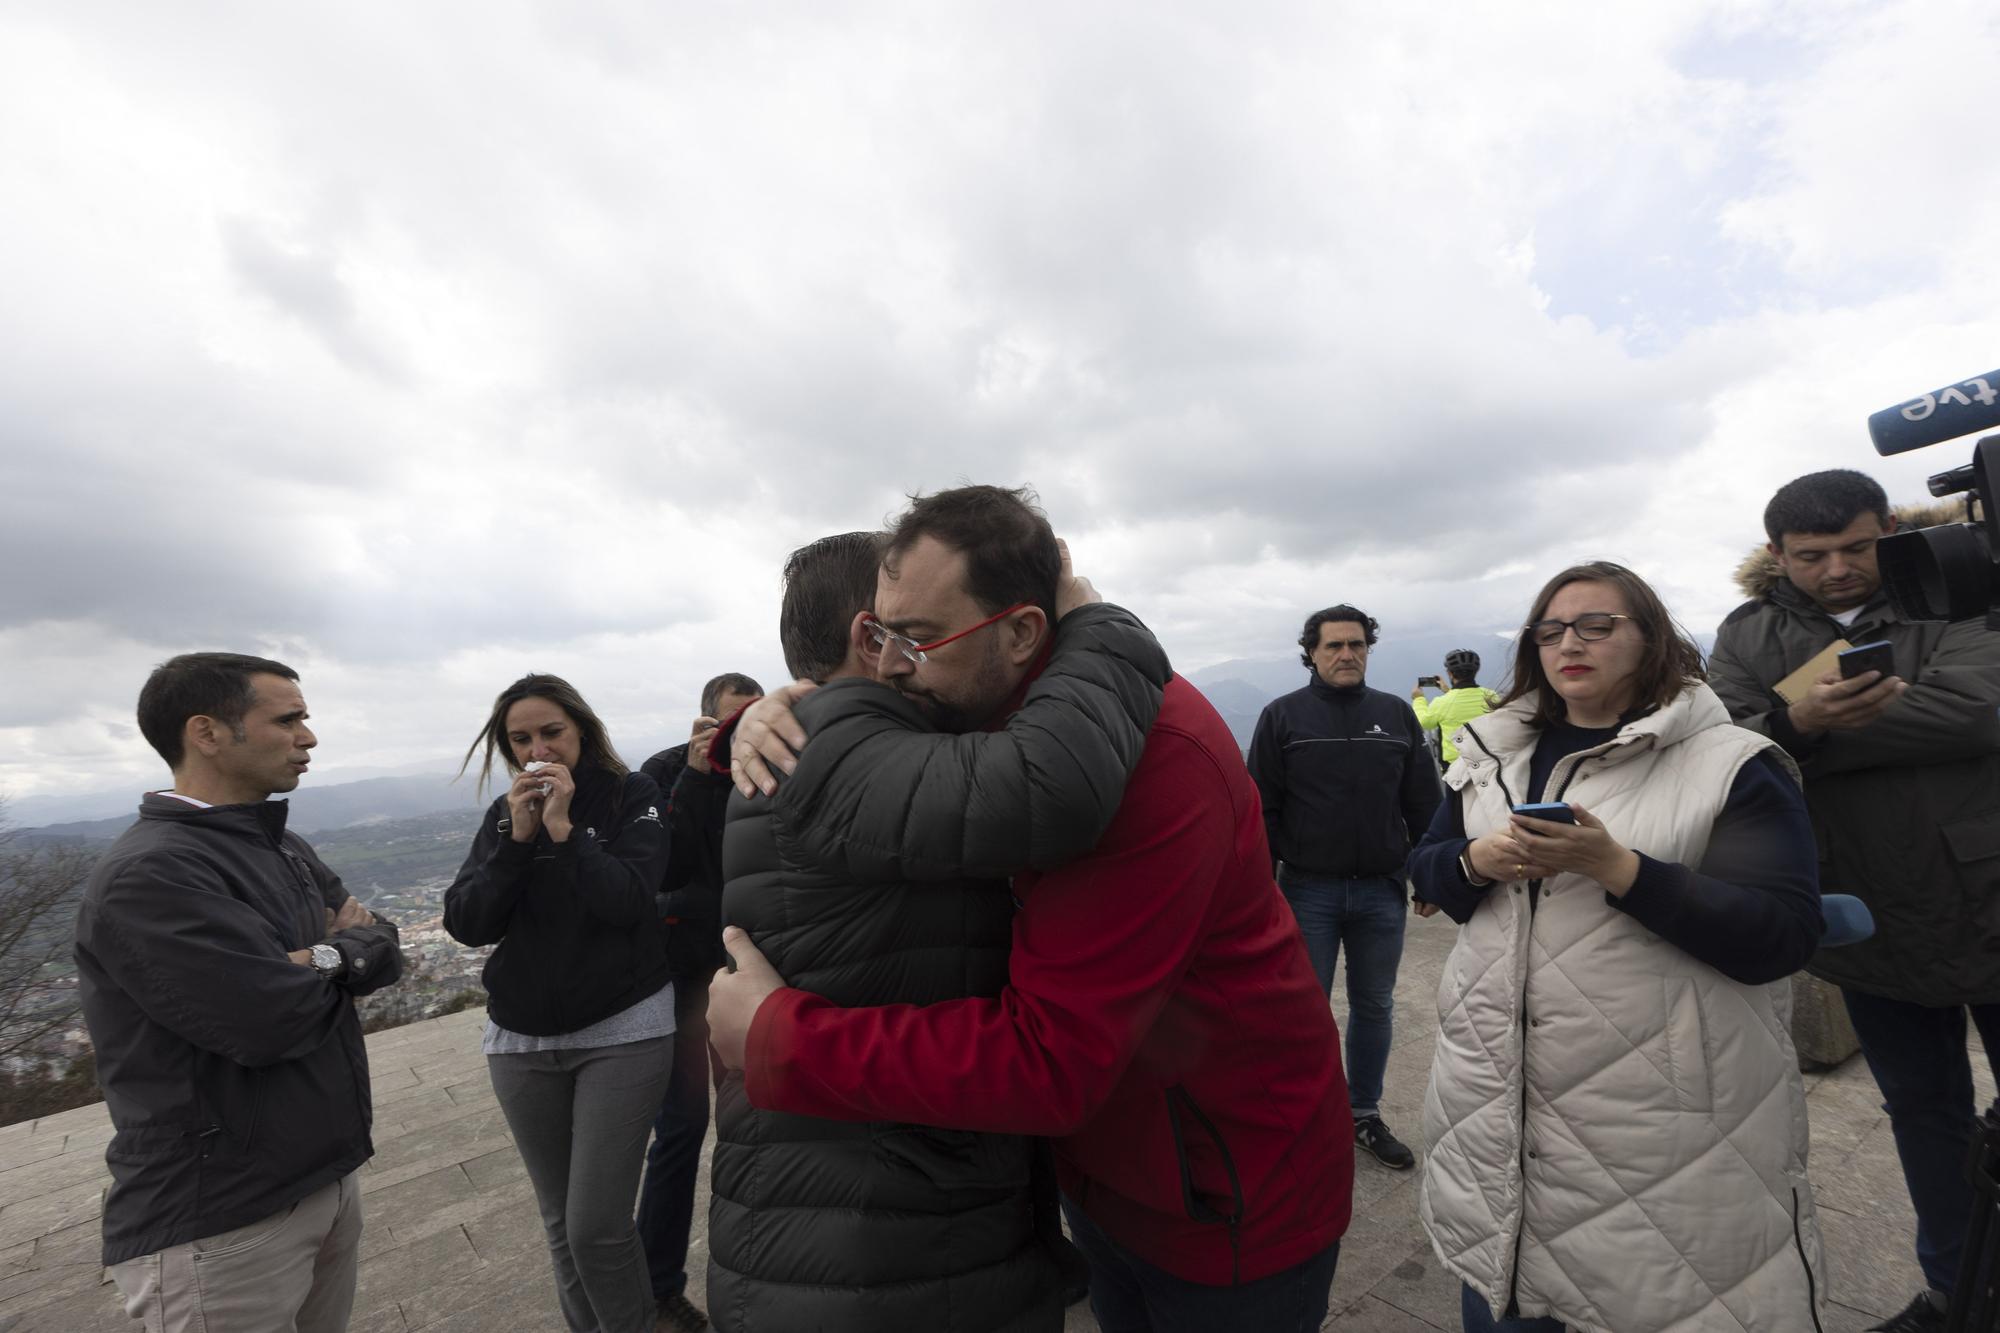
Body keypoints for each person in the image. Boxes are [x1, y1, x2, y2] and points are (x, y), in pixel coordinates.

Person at [710, 485, 1351, 1333]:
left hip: (1226, 1194)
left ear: (1020, 631)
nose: (895, 666)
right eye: (883, 635)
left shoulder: (1155, 763)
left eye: (924, 639)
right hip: (1117, 1175)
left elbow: (1050, 1062)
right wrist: (781, 709)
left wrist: (782, 1038)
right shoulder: (987, 719)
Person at [701, 528, 1162, 1333]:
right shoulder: (843, 743)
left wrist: (760, 711)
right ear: (868, 637)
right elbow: (1046, 786)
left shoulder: (829, 735)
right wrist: (1095, 621)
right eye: (914, 627)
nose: (929, 647)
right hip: (880, 1244)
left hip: (852, 1218)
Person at [1407, 561, 1827, 1333]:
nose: (1571, 641)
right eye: (1552, 628)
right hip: (1495, 1118)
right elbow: (1430, 868)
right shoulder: (1489, 753)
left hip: (1660, 1129)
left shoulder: (1729, 763)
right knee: (1504, 1299)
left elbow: (1783, 934)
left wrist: (1619, 869)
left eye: (1598, 625)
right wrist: (1475, 861)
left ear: (1651, 639)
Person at [1708, 469, 2000, 1333]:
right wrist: (1800, 727)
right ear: (1776, 554)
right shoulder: (1747, 631)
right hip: (1867, 910)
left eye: (1858, 547)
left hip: (1989, 889)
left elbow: (1978, 711)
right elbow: (1730, 748)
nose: (1839, 569)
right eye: (1813, 555)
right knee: (1923, 1114)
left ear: (1890, 527)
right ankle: (1958, 1291)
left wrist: (1807, 728)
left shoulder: (1960, 584)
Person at [74, 652, 403, 1333]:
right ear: (208, 732)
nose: (308, 737)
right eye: (288, 720)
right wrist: (344, 956)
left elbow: (384, 943)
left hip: (323, 1177)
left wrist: (321, 958)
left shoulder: (280, 844)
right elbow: (267, 1017)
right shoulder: (152, 873)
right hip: (221, 1218)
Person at [444, 674, 671, 1333]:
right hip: (521, 1040)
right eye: (521, 739)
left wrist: (567, 831)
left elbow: (628, 900)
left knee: (595, 1225)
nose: (538, 749)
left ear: (581, 730)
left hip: (622, 1028)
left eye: (552, 732)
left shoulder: (633, 795)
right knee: (560, 1222)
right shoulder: (501, 816)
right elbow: (468, 920)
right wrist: (517, 840)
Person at [1247, 604, 1442, 1171]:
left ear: (1368, 649)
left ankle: (1363, 1114)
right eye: (1333, 646)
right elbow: (1262, 809)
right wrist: (1261, 890)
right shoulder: (1282, 716)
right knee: (1304, 1013)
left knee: (1374, 1006)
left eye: (1356, 645)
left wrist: (1427, 875)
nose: (1347, 655)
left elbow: (1423, 803)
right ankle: (1305, 1118)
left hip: (1382, 890)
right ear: (1311, 652)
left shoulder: (1395, 714)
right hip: (1308, 891)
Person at [634, 670, 762, 1333]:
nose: (741, 732)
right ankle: (657, 1287)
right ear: (702, 721)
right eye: (728, 722)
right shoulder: (662, 773)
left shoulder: (774, 762)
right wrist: (697, 774)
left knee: (763, 1114)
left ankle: (765, 1263)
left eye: (752, 718)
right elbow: (662, 863)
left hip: (749, 960)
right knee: (682, 1126)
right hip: (684, 971)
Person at [1411, 648, 1497, 770]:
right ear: (1476, 672)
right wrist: (1447, 691)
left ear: (1450, 673)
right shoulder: (1491, 696)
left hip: (1456, 768)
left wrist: (1418, 699)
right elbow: (1464, 703)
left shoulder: (1442, 702)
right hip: (1489, 763)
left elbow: (1425, 722)